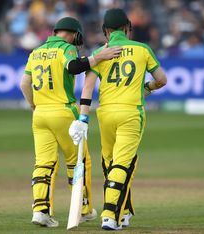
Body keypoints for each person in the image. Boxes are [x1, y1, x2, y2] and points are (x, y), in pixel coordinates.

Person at [69, 8, 167, 231]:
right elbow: (162, 79)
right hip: (131, 113)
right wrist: (147, 88)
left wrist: (82, 119)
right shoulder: (142, 49)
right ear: (127, 29)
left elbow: (87, 88)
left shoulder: (100, 52)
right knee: (123, 164)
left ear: (106, 31)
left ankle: (124, 213)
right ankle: (110, 215)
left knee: (110, 164)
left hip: (105, 113)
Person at [20, 16, 122, 228]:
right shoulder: (66, 48)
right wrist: (99, 56)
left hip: (40, 115)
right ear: (73, 34)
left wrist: (33, 105)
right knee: (78, 162)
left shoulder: (36, 52)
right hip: (64, 111)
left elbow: (24, 83)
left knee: (43, 163)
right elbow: (74, 67)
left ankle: (40, 210)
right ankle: (83, 209)